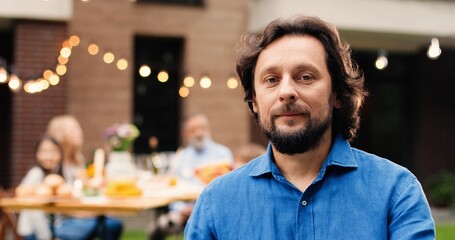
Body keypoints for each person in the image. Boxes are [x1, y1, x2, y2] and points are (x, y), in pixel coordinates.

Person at [185, 16, 435, 239]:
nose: (286, 92)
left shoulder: (396, 192)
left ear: (337, 93)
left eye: (305, 77)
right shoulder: (215, 203)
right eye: (271, 80)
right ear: (255, 101)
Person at [148, 113, 233, 240]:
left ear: (208, 129)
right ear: (186, 133)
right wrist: (182, 208)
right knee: (154, 230)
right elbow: (172, 186)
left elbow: (227, 189)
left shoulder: (223, 154)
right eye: (193, 130)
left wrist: (200, 208)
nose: (199, 133)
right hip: (182, 213)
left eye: (202, 128)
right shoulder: (180, 156)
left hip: (214, 211)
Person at [46, 114, 123, 240]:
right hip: (62, 221)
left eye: (78, 128)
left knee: (113, 224)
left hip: (82, 215)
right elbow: (59, 204)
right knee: (108, 224)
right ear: (61, 134)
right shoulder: (54, 165)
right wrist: (92, 212)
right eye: (73, 129)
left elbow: (84, 193)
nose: (79, 132)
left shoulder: (78, 162)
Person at [16, 136, 64, 240]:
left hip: (48, 228)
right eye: (43, 151)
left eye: (53, 151)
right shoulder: (36, 174)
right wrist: (46, 236)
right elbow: (35, 210)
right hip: (34, 231)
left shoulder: (55, 176)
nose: (48, 156)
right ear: (37, 154)